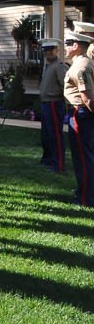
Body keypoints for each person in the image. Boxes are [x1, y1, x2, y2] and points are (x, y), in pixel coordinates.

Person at [63, 31, 94, 207]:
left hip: (81, 114)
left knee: (83, 157)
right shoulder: (87, 62)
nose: (65, 47)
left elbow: (88, 98)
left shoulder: (80, 67)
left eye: (68, 44)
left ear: (75, 46)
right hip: (84, 114)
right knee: (87, 155)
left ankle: (85, 199)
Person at [38, 38, 67, 172]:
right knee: (46, 135)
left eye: (51, 50)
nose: (48, 52)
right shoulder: (48, 66)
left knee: (55, 135)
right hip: (46, 103)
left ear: (57, 50)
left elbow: (65, 86)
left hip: (54, 103)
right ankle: (47, 159)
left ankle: (58, 164)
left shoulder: (59, 66)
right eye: (45, 50)